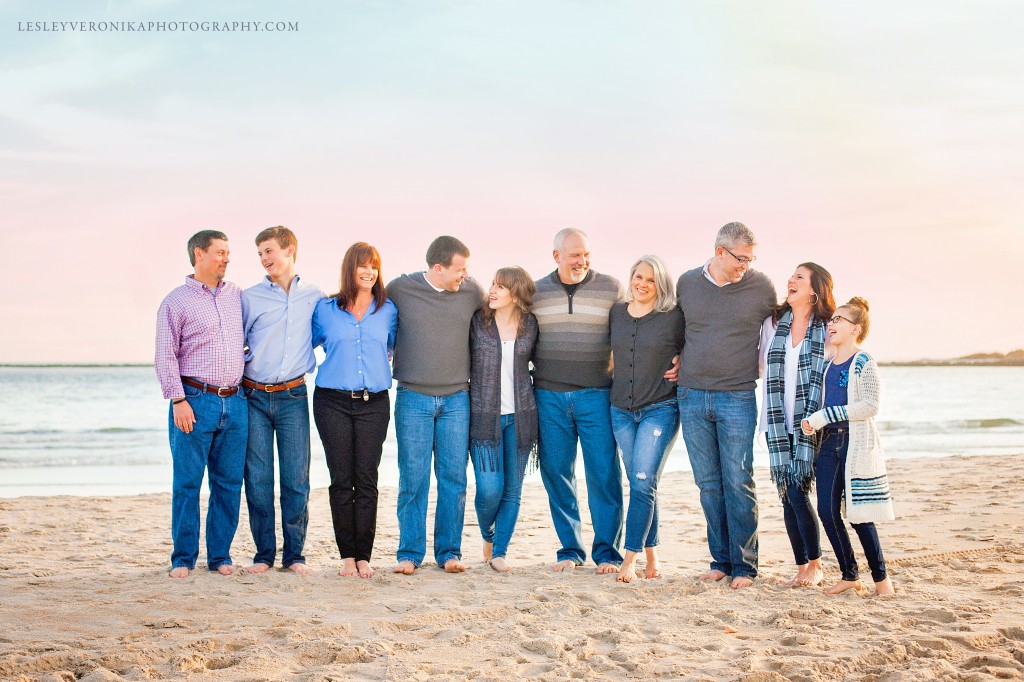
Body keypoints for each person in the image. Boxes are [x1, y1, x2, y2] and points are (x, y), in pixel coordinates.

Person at [676, 222, 776, 589]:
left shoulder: (760, 287)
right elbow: (677, 329)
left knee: (739, 481)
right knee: (708, 484)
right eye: (740, 258)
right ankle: (720, 560)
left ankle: (745, 566)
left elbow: (786, 322)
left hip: (737, 396)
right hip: (691, 395)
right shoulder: (687, 283)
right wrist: (674, 358)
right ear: (720, 252)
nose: (745, 266)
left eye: (750, 259)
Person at [388, 236, 483, 575]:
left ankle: (449, 553)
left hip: (458, 398)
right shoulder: (400, 288)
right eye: (460, 269)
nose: (465, 275)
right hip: (413, 396)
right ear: (438, 268)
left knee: (454, 478)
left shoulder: (472, 291)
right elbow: (369, 311)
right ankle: (410, 554)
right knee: (413, 478)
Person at [155, 230, 247, 579]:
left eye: (228, 253)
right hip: (193, 401)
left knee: (228, 484)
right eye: (220, 252)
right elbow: (165, 355)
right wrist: (177, 399)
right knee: (188, 483)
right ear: (199, 254)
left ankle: (220, 555)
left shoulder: (237, 296)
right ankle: (183, 558)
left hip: (236, 402)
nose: (226, 258)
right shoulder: (175, 302)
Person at [312, 242, 398, 579]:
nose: (369, 272)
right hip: (331, 401)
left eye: (374, 265)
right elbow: (305, 343)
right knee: (341, 479)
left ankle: (364, 556)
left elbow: (393, 347)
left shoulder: (388, 309)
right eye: (363, 265)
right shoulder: (325, 309)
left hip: (374, 403)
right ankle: (346, 556)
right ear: (350, 269)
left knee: (366, 479)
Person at [241, 226, 322, 576]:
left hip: (293, 396)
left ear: (290, 251)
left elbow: (328, 334)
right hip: (254, 396)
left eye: (270, 250)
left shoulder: (316, 297)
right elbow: (235, 342)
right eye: (260, 253)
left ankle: (294, 555)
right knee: (258, 478)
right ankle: (264, 554)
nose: (264, 258)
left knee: (295, 478)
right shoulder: (249, 297)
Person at [801, 297, 896, 596]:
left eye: (838, 320)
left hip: (854, 443)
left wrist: (823, 416)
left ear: (855, 328)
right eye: (832, 320)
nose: (831, 324)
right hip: (829, 444)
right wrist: (810, 422)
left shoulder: (863, 361)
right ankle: (849, 575)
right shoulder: (828, 364)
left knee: (859, 515)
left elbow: (870, 405)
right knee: (827, 512)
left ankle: (882, 582)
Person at [758, 263, 834, 588]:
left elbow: (839, 368)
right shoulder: (772, 324)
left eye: (799, 277)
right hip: (777, 422)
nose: (791, 280)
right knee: (787, 496)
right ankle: (802, 566)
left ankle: (815, 565)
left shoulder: (828, 328)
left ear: (815, 291)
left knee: (796, 490)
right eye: (792, 276)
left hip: (811, 425)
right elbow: (760, 367)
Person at [608, 255, 684, 583]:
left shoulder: (673, 317)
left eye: (650, 279)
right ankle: (653, 557)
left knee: (641, 481)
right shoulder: (616, 314)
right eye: (638, 276)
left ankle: (630, 560)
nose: (642, 283)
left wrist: (684, 361)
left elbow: (695, 344)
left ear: (661, 284)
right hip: (620, 411)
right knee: (643, 483)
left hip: (660, 409)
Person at [469, 267, 539, 573]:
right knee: (488, 489)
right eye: (492, 285)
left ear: (516, 294)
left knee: (512, 490)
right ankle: (488, 534)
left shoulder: (530, 325)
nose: (493, 291)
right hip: (484, 417)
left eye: (501, 287)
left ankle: (499, 552)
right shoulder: (478, 323)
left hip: (522, 417)